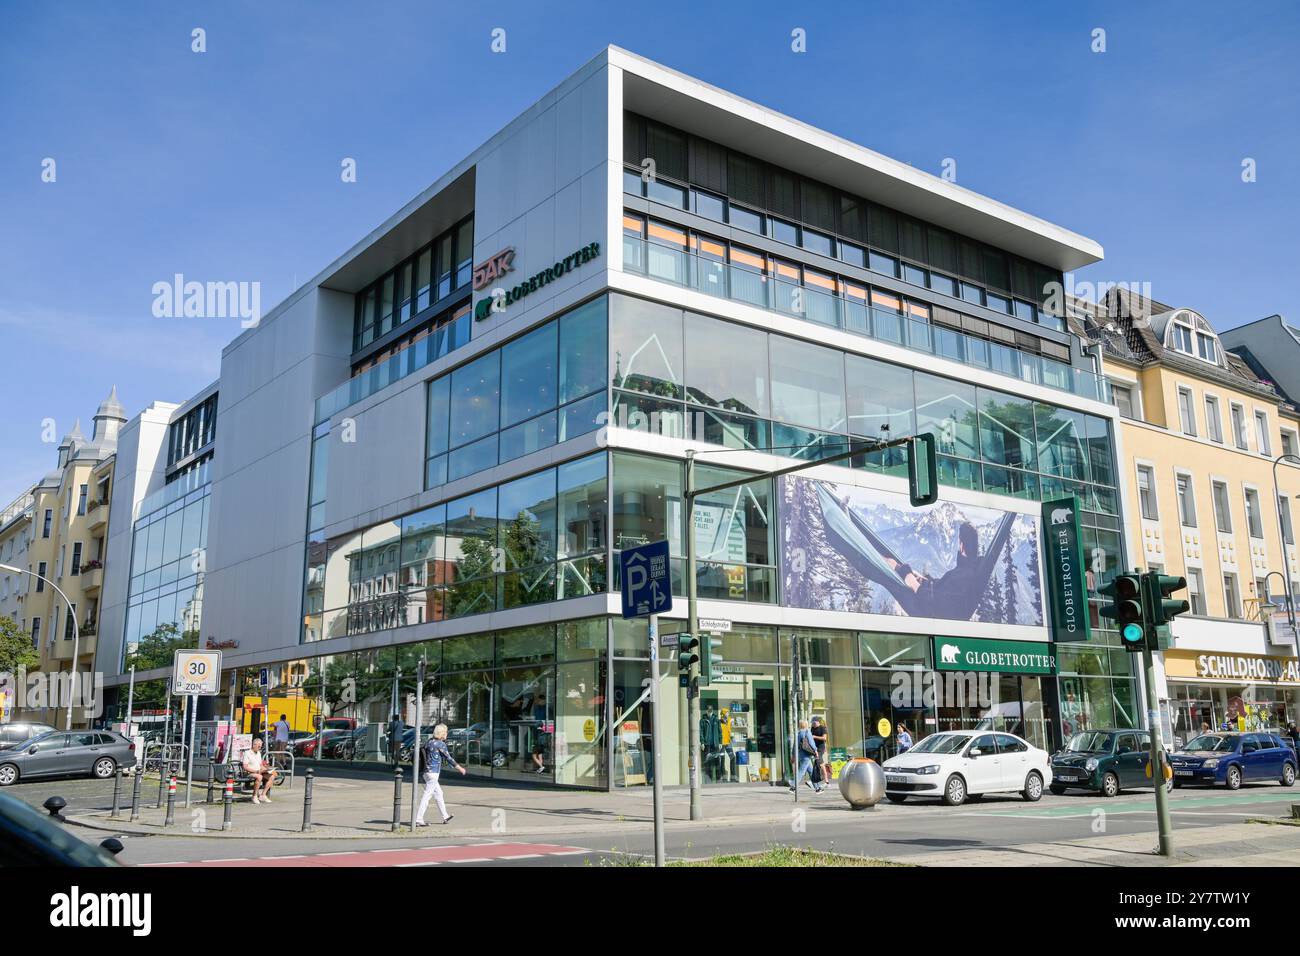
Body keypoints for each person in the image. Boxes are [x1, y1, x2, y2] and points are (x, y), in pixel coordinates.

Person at [416, 724, 466, 826]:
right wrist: (460, 768)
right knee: (427, 795)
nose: (447, 734)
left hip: (426, 772)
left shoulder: (429, 742)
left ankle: (445, 816)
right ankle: (418, 819)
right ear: (442, 733)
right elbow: (449, 758)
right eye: (446, 732)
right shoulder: (440, 744)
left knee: (439, 793)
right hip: (433, 773)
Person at [789, 720, 823, 793]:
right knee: (801, 771)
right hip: (807, 755)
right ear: (806, 725)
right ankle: (793, 787)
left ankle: (817, 788)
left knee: (811, 772)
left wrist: (793, 756)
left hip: (800, 755)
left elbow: (795, 746)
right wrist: (815, 750)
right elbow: (811, 743)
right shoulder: (807, 732)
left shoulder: (798, 733)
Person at [241, 737, 278, 804]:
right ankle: (254, 796)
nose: (260, 748)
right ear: (254, 745)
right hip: (250, 772)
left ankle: (263, 795)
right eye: (258, 746)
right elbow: (245, 767)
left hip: (259, 771)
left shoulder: (258, 753)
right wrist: (256, 771)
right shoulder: (247, 753)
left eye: (260, 746)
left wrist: (268, 770)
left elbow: (260, 765)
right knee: (259, 777)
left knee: (272, 776)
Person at [531, 692, 549, 775]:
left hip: (539, 737)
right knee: (540, 754)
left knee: (534, 755)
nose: (539, 702)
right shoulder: (539, 708)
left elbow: (537, 722)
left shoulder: (544, 709)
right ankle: (540, 768)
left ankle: (541, 767)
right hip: (542, 737)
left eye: (540, 700)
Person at [810, 716, 830, 786]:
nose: (812, 724)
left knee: (818, 761)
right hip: (814, 748)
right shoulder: (812, 728)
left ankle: (815, 780)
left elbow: (824, 738)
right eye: (812, 723)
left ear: (817, 722)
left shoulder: (823, 728)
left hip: (820, 748)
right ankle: (826, 781)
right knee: (821, 764)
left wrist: (815, 737)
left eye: (813, 722)